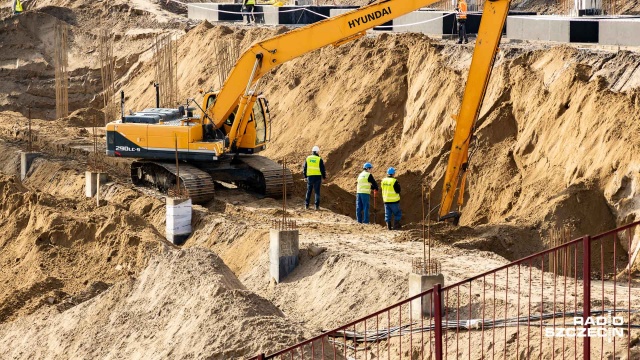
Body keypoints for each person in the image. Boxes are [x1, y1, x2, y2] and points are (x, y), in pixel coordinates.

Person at [303, 145, 326, 210]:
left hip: (310, 177)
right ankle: (316, 206)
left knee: (309, 191)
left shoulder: (308, 158)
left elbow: (304, 167)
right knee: (317, 192)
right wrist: (324, 177)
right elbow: (322, 169)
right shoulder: (319, 159)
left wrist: (305, 176)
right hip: (317, 178)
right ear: (317, 152)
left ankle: (306, 206)